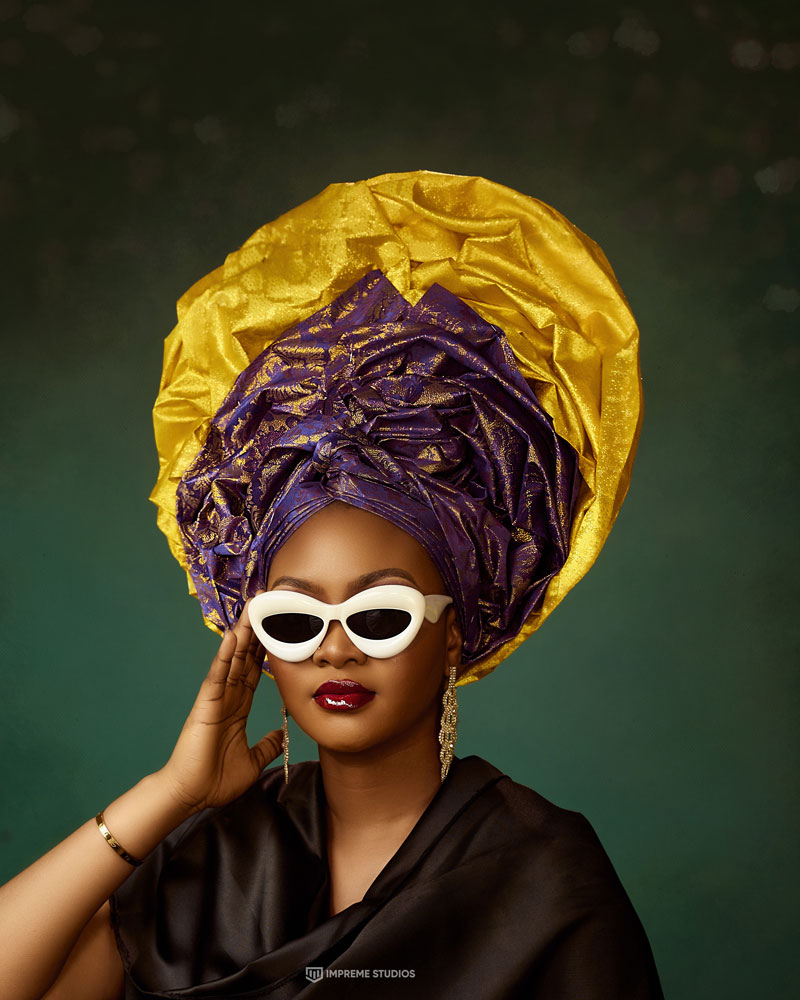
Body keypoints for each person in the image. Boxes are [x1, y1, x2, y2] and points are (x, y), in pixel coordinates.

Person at [0, 171, 663, 998]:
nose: (335, 648)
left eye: (380, 613)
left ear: (453, 634)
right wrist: (169, 796)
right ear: (259, 647)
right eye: (294, 619)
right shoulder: (213, 862)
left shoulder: (545, 880)